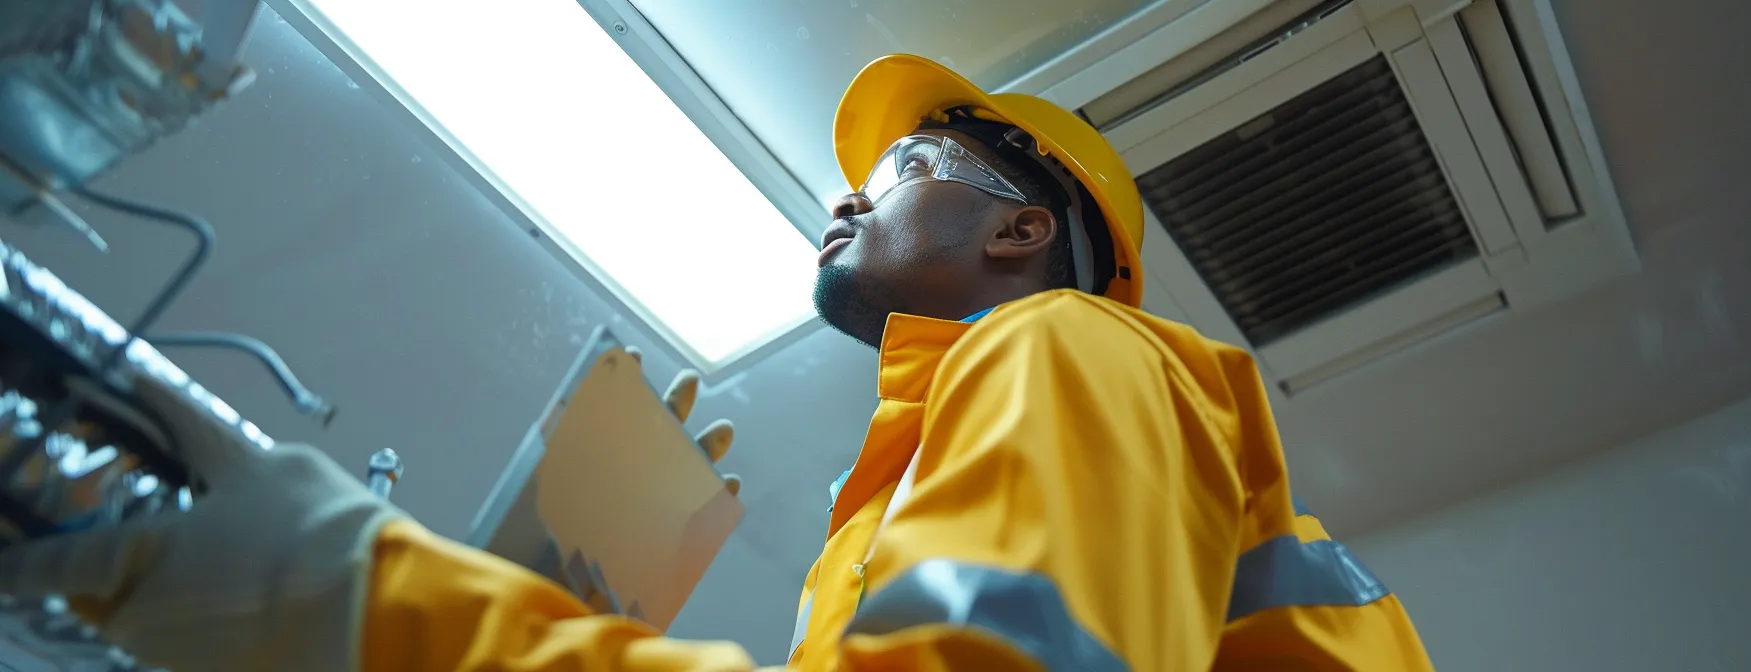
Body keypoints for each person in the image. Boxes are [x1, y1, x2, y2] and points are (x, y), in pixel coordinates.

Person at [0, 54, 1433, 671]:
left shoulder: (1073, 347)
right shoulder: (899, 502)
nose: (847, 197)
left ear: (1019, 230)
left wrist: (355, 601)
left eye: (903, 165)